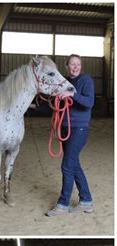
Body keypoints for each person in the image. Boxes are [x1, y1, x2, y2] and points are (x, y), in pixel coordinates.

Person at [46, 54, 94, 217]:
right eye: (72, 64)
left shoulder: (85, 80)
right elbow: (55, 104)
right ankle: (86, 201)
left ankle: (63, 204)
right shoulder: (65, 81)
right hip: (65, 127)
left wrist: (72, 94)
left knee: (67, 165)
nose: (75, 67)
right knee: (74, 164)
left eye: (78, 64)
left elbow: (89, 103)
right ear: (66, 66)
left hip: (79, 128)